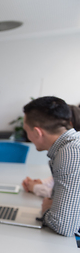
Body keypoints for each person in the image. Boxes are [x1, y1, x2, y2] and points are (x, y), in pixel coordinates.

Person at [22, 96, 80, 237]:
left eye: (26, 131)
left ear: (37, 132)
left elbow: (64, 226)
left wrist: (47, 210)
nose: (27, 136)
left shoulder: (70, 153)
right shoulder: (70, 145)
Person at [22, 104, 80, 198]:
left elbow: (62, 196)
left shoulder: (72, 152)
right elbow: (60, 179)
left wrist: (35, 187)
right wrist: (41, 183)